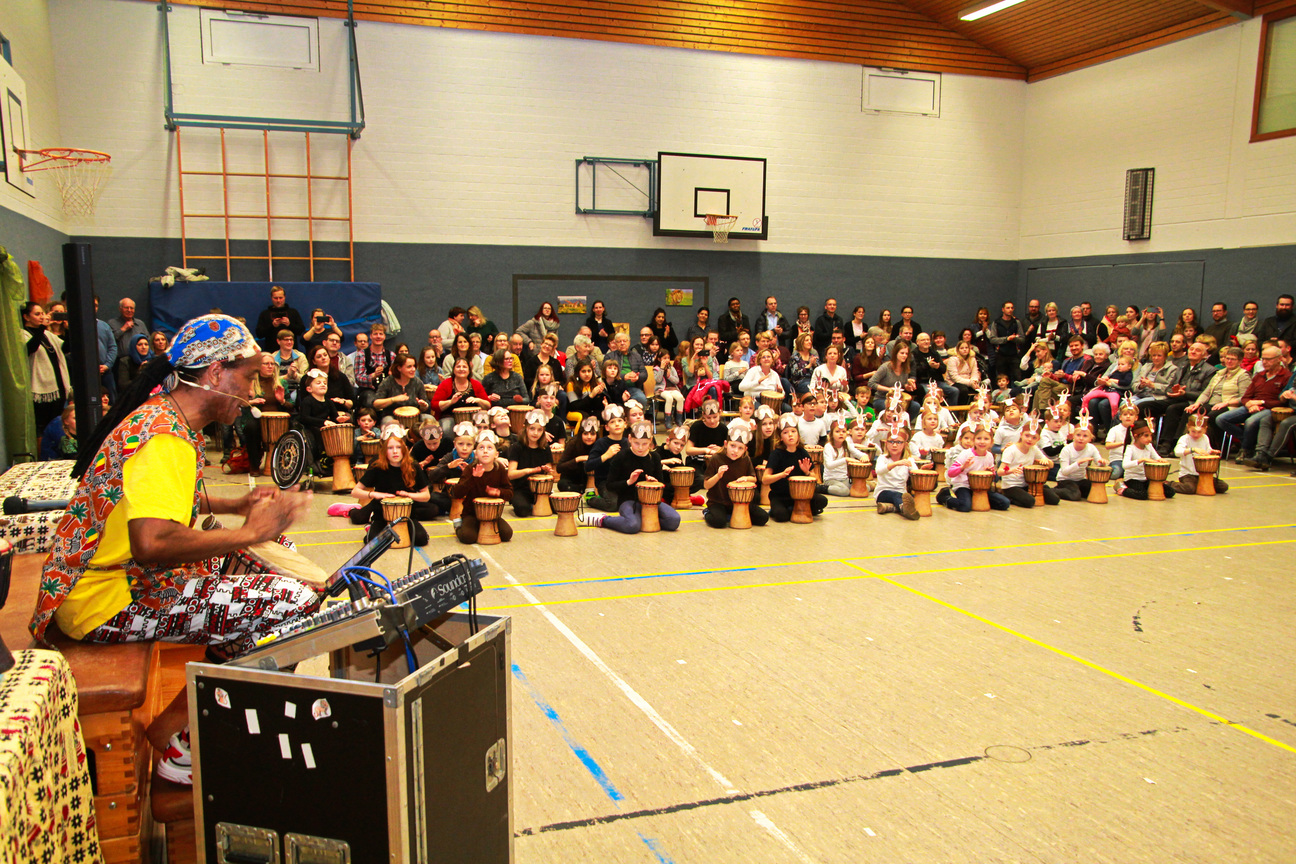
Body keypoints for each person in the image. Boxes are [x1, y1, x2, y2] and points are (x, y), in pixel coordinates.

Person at [31, 314, 320, 781]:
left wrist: (235, 505)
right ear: (215, 373)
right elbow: (151, 542)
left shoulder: (164, 415)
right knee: (294, 602)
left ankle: (185, 719)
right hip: (106, 599)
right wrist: (249, 532)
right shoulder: (165, 438)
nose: (251, 392)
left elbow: (159, 498)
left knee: (271, 563)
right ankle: (187, 748)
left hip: (111, 582)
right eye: (248, 378)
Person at [579, 420, 680, 533]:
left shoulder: (655, 457)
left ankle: (642, 519)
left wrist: (655, 483)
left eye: (645, 444)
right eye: (636, 443)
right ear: (630, 438)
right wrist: (629, 481)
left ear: (650, 440)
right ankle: (603, 520)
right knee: (632, 525)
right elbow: (610, 485)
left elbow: (662, 484)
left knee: (673, 521)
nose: (640, 448)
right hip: (628, 500)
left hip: (651, 502)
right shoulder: (621, 456)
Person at [349, 426, 437, 545]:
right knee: (372, 542)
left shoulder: (413, 466)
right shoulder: (377, 466)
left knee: (421, 539)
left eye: (398, 447)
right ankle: (361, 518)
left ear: (404, 449)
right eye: (390, 448)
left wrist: (408, 495)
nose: (395, 451)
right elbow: (355, 492)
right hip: (381, 513)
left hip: (407, 514)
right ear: (384, 450)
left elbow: (426, 496)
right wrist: (375, 494)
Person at [1216, 344, 1291, 463]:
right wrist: (1249, 404)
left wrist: (1262, 402)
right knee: (1221, 419)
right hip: (1251, 406)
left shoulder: (1286, 376)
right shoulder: (1259, 375)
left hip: (1270, 409)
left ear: (1279, 359)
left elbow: (1283, 401)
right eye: (1263, 359)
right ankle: (1249, 442)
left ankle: (1246, 449)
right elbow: (1245, 397)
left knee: (1250, 422)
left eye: (1269, 359)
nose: (1264, 362)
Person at [700, 419, 769, 528]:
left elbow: (754, 478)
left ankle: (731, 515)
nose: (736, 451)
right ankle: (707, 512)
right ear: (726, 444)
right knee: (718, 522)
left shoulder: (745, 459)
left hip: (739, 501)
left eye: (740, 448)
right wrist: (718, 475)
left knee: (763, 518)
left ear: (745, 449)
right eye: (732, 446)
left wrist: (746, 478)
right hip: (719, 502)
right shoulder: (716, 458)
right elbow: (706, 485)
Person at [451, 432, 514, 544]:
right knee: (468, 537)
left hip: (493, 514)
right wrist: (472, 478)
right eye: (481, 448)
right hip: (471, 513)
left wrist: (498, 492)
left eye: (489, 448)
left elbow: (510, 493)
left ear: (496, 454)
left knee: (507, 534)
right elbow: (457, 493)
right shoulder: (470, 469)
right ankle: (458, 526)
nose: (485, 451)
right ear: (476, 454)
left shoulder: (499, 469)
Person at [765, 414, 827, 522]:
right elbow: (765, 479)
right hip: (780, 496)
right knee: (781, 516)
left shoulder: (802, 452)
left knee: (822, 501)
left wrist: (807, 472)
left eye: (793, 431)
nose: (790, 435)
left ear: (798, 434)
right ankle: (792, 510)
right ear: (781, 437)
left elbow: (815, 478)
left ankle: (794, 509)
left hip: (800, 496)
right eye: (785, 432)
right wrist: (781, 475)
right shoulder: (776, 454)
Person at [21, 302, 71, 434]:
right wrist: (43, 327)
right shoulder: (23, 334)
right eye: (37, 314)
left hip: (58, 387)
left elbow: (66, 348)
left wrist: (68, 330)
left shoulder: (47, 335)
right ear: (26, 317)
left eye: (43, 313)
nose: (42, 317)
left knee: (57, 424)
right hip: (41, 391)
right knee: (42, 427)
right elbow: (31, 348)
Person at [944, 425, 1008, 511]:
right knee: (965, 506)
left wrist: (991, 473)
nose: (982, 442)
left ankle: (973, 499)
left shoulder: (989, 456)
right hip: (963, 486)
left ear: (991, 442)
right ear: (974, 441)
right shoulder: (966, 454)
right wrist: (963, 467)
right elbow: (950, 473)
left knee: (1004, 503)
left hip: (981, 488)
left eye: (986, 439)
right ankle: (945, 498)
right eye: (979, 438)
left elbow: (994, 480)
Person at [1114, 420, 1175, 499]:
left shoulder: (1149, 446)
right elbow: (1125, 465)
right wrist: (1141, 460)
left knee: (1170, 492)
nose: (1149, 439)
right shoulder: (1130, 448)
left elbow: (1157, 458)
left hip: (1146, 478)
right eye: (1146, 436)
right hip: (1132, 479)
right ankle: (1122, 489)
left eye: (1150, 436)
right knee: (1142, 494)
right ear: (1136, 436)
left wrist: (1162, 460)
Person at [429, 357, 490, 430]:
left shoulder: (476, 384)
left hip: (473, 418)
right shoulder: (446, 384)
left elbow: (488, 405)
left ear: (469, 370)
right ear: (454, 370)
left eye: (464, 367)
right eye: (458, 367)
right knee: (446, 428)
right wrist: (451, 402)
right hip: (449, 417)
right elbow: (434, 405)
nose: (461, 369)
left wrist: (478, 400)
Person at [1053, 418, 1105, 501]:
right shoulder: (1067, 449)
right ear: (1073, 436)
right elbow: (1065, 471)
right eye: (1078, 435)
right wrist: (1078, 463)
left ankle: (1077, 490)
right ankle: (1053, 491)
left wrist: (1102, 462)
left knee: (1094, 491)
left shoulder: (1091, 448)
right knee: (1075, 496)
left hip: (1080, 479)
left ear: (1090, 438)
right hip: (1065, 480)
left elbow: (1098, 462)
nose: (1081, 438)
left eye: (1085, 436)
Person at [254, 286, 305, 350]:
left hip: (291, 351)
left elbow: (301, 331)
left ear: (284, 297)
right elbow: (259, 334)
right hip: (271, 351)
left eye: (281, 298)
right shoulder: (265, 314)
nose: (278, 300)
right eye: (275, 298)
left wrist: (289, 325)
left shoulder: (293, 312)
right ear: (271, 298)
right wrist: (272, 326)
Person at [990, 301, 1025, 380]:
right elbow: (992, 339)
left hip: (1014, 354)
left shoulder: (1016, 322)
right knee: (1002, 378)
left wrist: (1014, 338)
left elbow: (1022, 339)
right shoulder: (996, 323)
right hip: (1001, 354)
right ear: (1003, 309)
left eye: (1012, 308)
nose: (1010, 310)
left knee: (1018, 377)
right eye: (1008, 308)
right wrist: (1006, 339)